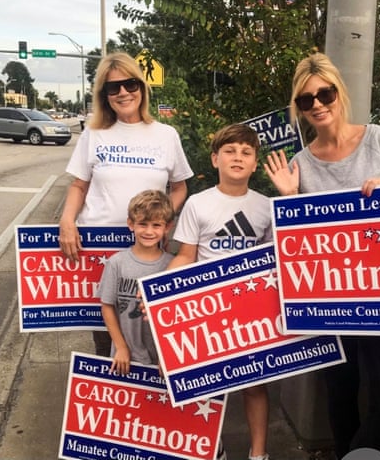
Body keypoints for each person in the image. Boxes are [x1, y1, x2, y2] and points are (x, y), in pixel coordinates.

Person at [264, 52, 380, 459]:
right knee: (340, 396)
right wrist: (287, 200)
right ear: (299, 109)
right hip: (329, 304)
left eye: (325, 93)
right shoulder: (300, 165)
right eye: (306, 100)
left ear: (339, 93)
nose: (318, 104)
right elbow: (289, 246)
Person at [58, 52, 193, 356]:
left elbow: (181, 185)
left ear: (141, 87)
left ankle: (142, 402)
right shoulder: (93, 134)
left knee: (148, 328)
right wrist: (67, 221)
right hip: (100, 248)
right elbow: (79, 185)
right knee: (106, 334)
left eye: (129, 84)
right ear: (104, 96)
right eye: (112, 88)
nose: (122, 93)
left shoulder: (165, 135)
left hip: (147, 251)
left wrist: (162, 221)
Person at [169, 123, 273, 460]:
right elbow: (186, 256)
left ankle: (258, 453)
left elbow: (274, 262)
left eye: (246, 152)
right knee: (206, 385)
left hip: (251, 309)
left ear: (255, 163)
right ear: (215, 159)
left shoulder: (265, 207)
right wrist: (157, 291)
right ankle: (211, 447)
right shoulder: (198, 204)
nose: (237, 158)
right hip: (207, 309)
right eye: (229, 151)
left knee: (255, 385)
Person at [98, 189, 175, 374]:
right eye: (143, 224)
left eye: (156, 225)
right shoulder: (117, 263)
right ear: (131, 224)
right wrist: (121, 347)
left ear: (167, 227)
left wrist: (171, 356)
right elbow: (107, 305)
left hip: (162, 359)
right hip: (125, 357)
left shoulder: (172, 265)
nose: (149, 231)